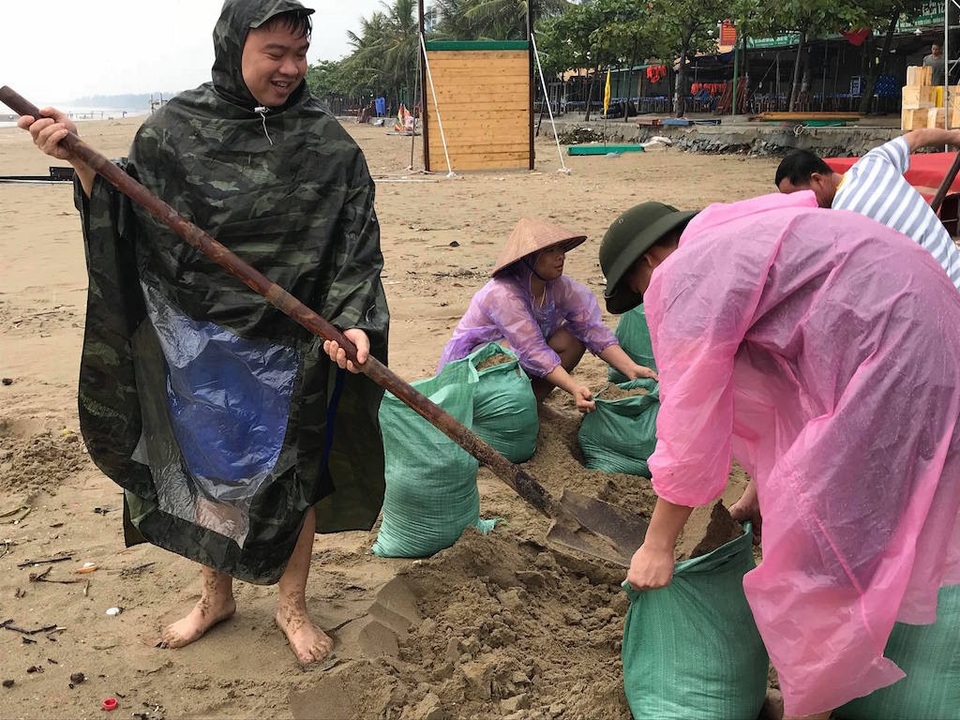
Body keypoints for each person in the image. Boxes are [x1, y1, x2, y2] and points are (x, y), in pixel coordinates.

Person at [17, 0, 389, 665]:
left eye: (299, 53)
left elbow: (356, 245)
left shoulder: (328, 145)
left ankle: (292, 604)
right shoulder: (173, 131)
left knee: (297, 476)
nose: (291, 67)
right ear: (234, 45)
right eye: (275, 52)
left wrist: (353, 321)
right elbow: (127, 210)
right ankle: (215, 595)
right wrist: (77, 161)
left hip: (297, 343)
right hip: (198, 343)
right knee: (211, 476)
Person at [600, 197, 960, 719]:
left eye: (638, 290)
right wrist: (756, 495)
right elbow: (790, 398)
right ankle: (843, 692)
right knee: (875, 530)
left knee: (820, 556)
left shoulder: (684, 273)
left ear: (652, 262)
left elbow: (690, 423)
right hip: (936, 331)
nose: (649, 298)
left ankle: (808, 709)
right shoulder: (747, 239)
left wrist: (658, 545)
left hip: (893, 354)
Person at [437, 217, 656, 412]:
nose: (560, 257)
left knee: (573, 338)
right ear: (529, 258)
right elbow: (530, 350)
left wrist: (630, 368)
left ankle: (533, 404)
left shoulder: (560, 287)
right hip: (478, 365)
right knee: (509, 351)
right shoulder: (503, 293)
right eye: (549, 251)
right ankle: (506, 408)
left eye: (561, 249)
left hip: (526, 355)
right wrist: (573, 387)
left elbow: (592, 329)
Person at [774, 128, 960, 291]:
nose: (802, 204)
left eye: (799, 196)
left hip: (943, 298)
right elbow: (918, 137)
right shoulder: (873, 162)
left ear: (817, 179)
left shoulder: (843, 219)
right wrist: (955, 137)